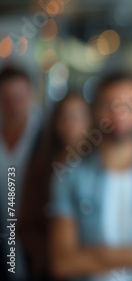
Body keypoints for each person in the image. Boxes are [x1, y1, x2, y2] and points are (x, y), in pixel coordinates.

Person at [49, 73, 132, 281]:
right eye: (109, 105)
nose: (119, 115)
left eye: (130, 106)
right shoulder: (70, 175)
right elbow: (63, 262)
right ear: (95, 112)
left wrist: (97, 255)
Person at [18, 94, 92, 280]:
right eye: (65, 117)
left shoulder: (100, 167)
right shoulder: (41, 167)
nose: (71, 124)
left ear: (90, 121)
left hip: (93, 264)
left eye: (77, 116)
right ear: (56, 123)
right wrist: (46, 260)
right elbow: (27, 224)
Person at [0, 65, 43, 281]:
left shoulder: (45, 137)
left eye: (20, 97)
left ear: (31, 96)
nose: (13, 105)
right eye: (6, 98)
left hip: (33, 240)